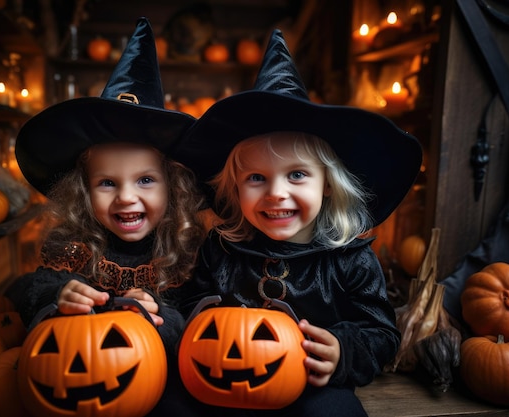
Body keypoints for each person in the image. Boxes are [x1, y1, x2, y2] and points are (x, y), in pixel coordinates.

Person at [173, 29, 423, 416]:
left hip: (310, 385)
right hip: (225, 374)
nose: (276, 193)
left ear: (327, 186)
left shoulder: (350, 258)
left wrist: (342, 350)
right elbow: (189, 302)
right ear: (236, 188)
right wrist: (199, 317)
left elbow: (382, 334)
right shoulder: (220, 248)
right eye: (256, 178)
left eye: (296, 175)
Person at [8, 17, 207, 416]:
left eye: (146, 180)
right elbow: (22, 292)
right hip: (81, 378)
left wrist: (158, 313)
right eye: (107, 184)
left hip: (164, 379)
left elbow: (203, 326)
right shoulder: (72, 244)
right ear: (83, 189)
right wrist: (58, 296)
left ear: (174, 185)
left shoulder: (187, 248)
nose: (126, 198)